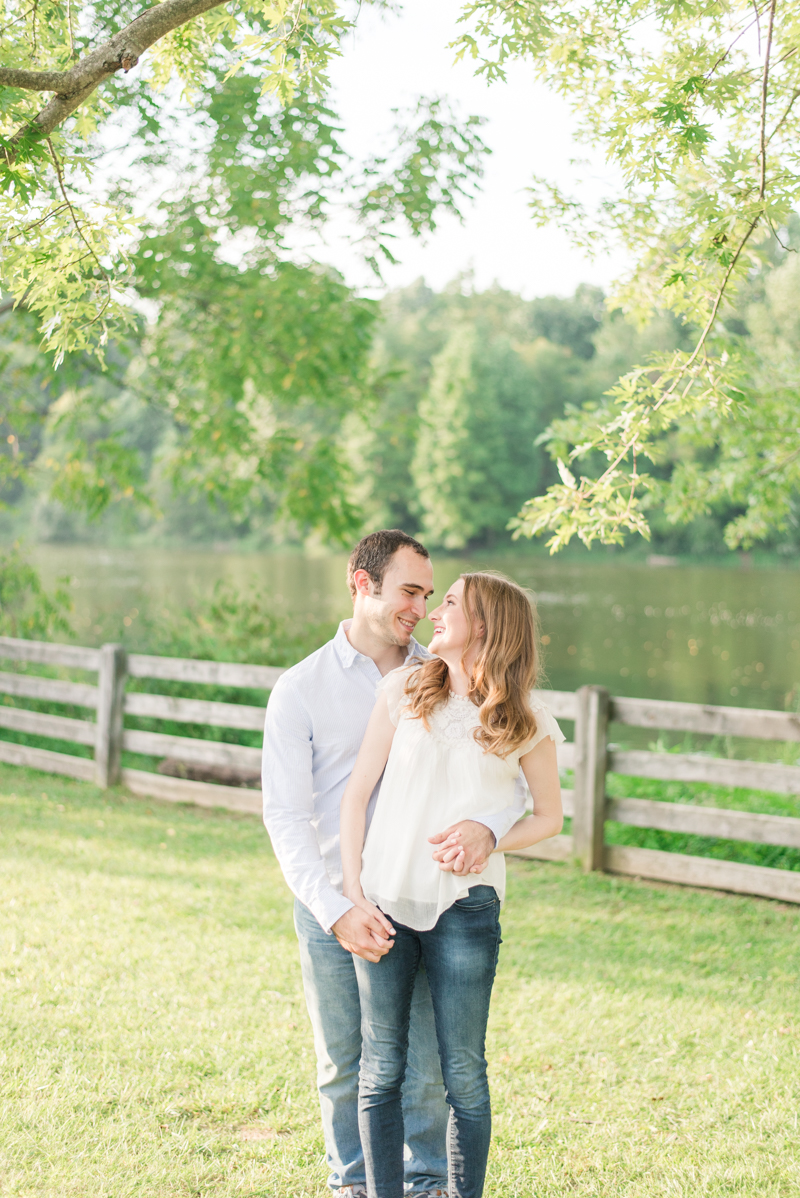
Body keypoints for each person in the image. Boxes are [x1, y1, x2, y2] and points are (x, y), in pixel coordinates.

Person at [261, 532, 528, 1197]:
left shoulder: (445, 673)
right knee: (346, 1062)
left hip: (424, 898)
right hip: (334, 900)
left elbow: (513, 777)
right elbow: (289, 818)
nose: (420, 607)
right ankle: (353, 1184)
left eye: (429, 595)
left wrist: (489, 829)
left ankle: (429, 1181)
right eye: (408, 591)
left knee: (428, 1065)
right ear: (361, 584)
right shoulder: (301, 690)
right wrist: (337, 908)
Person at [339, 572, 564, 1198]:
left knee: (463, 1074)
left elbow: (549, 817)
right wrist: (354, 893)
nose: (436, 611)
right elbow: (357, 796)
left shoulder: (526, 718)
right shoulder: (402, 691)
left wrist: (492, 836)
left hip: (466, 911)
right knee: (380, 1070)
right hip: (383, 902)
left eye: (453, 603)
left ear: (487, 626)